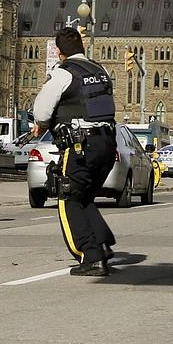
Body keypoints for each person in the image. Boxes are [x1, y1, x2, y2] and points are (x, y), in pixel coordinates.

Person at [30, 26, 118, 276]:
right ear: (81, 47)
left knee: (68, 198)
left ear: (59, 52)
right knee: (84, 196)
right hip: (107, 143)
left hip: (82, 145)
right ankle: (101, 244)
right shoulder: (99, 71)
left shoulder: (63, 73)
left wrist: (43, 123)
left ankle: (90, 256)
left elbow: (42, 112)